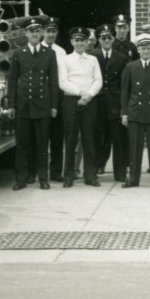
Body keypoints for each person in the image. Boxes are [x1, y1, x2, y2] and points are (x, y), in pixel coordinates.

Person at [6, 16, 59, 191]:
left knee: (42, 144)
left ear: (42, 32)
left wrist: (53, 106)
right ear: (25, 33)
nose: (35, 34)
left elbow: (53, 81)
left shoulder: (49, 53)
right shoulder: (18, 53)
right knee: (22, 144)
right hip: (23, 105)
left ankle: (43, 178)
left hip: (42, 105)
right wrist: (12, 105)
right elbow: (12, 81)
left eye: (37, 31)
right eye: (31, 31)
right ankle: (21, 178)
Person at [120, 33, 150, 188]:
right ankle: (134, 179)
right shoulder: (130, 67)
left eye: (149, 48)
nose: (146, 51)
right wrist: (124, 113)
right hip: (135, 112)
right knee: (135, 147)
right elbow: (124, 92)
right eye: (143, 49)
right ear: (138, 50)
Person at [58, 27, 103, 188]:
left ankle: (90, 176)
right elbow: (63, 82)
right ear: (71, 42)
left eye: (82, 40)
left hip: (89, 102)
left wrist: (89, 95)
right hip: (71, 101)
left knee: (89, 138)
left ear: (87, 42)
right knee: (70, 139)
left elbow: (98, 80)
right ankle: (69, 176)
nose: (79, 43)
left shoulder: (92, 60)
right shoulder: (65, 60)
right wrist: (80, 92)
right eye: (76, 40)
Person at [92, 24, 130, 182]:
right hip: (97, 104)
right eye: (103, 38)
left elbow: (124, 84)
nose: (106, 40)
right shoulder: (92, 55)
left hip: (115, 104)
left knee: (118, 140)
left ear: (113, 39)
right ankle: (93, 171)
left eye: (109, 37)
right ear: (99, 40)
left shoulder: (121, 57)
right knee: (96, 139)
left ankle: (120, 174)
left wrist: (123, 106)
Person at [42, 17, 67, 182]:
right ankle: (39, 172)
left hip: (57, 96)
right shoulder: (37, 49)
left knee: (57, 137)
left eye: (53, 31)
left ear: (57, 33)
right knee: (40, 137)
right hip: (41, 96)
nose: (51, 34)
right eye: (48, 31)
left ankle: (56, 172)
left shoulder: (61, 51)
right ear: (43, 32)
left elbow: (63, 76)